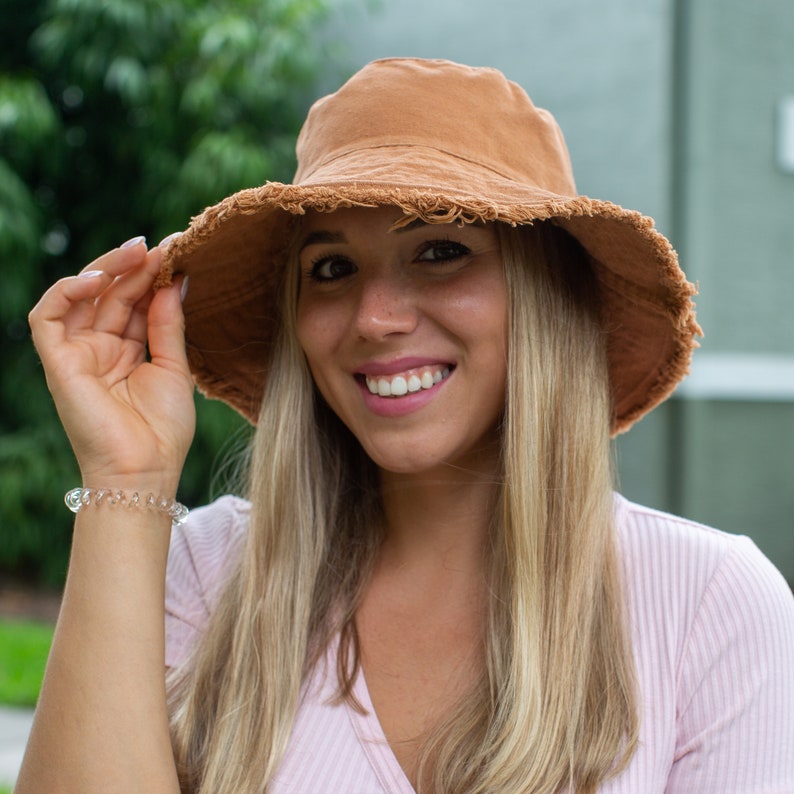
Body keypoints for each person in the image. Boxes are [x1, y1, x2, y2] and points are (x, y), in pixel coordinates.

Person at [20, 58, 794, 794]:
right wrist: (126, 481)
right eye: (330, 268)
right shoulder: (207, 574)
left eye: (441, 250)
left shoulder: (710, 606)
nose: (375, 318)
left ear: (545, 299)